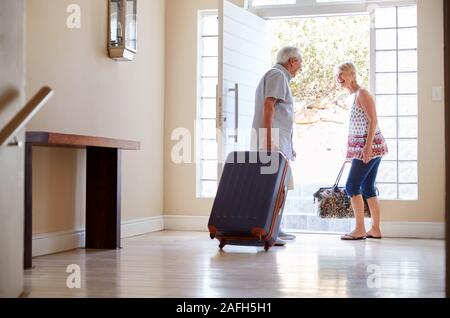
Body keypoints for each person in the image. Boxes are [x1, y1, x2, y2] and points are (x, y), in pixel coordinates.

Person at [252, 46, 303, 246]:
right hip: (271, 140)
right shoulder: (277, 75)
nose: (301, 66)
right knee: (274, 187)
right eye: (299, 62)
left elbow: (282, 116)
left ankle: (274, 227)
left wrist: (290, 145)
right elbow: (269, 105)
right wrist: (268, 139)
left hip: (278, 140)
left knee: (280, 186)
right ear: (291, 61)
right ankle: (270, 230)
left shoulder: (279, 76)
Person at [334, 62, 389, 241]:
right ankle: (375, 229)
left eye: (342, 74)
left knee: (351, 186)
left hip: (370, 147)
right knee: (367, 187)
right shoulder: (352, 96)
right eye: (337, 75)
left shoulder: (362, 93)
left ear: (352, 74)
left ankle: (359, 229)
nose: (339, 78)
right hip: (368, 148)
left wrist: (366, 148)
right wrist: (352, 150)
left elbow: (373, 120)